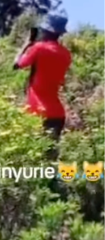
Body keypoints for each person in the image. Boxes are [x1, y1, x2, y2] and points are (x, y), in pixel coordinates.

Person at [13, 13, 71, 158]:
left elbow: (17, 64)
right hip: (58, 114)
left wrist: (27, 43)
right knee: (51, 157)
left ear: (45, 31)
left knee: (35, 157)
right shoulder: (65, 54)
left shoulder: (39, 48)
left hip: (39, 112)